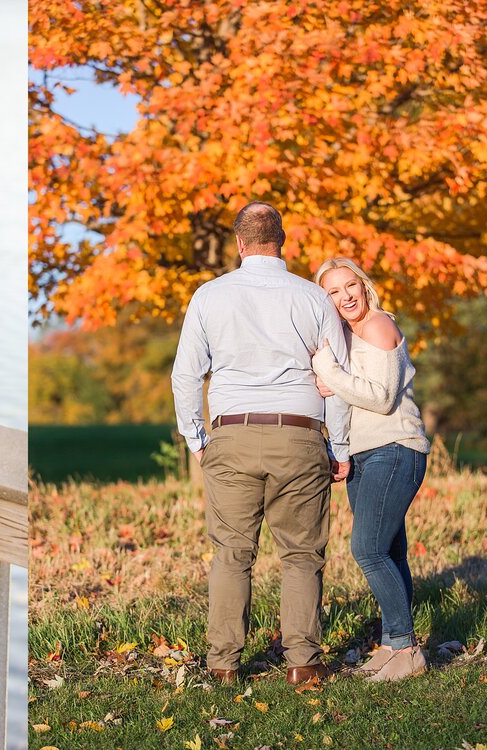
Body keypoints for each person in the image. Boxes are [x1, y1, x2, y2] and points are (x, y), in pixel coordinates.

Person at [171, 201, 351, 685]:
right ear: (282, 241)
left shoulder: (209, 296)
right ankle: (303, 664)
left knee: (232, 553)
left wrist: (198, 439)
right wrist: (340, 448)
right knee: (301, 554)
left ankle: (224, 666)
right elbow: (333, 376)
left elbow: (186, 375)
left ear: (240, 244)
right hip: (299, 434)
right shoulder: (313, 298)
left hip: (231, 434)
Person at [311, 257, 430, 682]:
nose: (345, 297)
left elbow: (381, 398)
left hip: (395, 448)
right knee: (391, 551)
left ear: (364, 286)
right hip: (363, 454)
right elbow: (342, 394)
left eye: (350, 286)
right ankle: (392, 645)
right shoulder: (343, 337)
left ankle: (406, 649)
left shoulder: (379, 325)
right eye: (332, 291)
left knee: (368, 549)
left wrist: (330, 373)